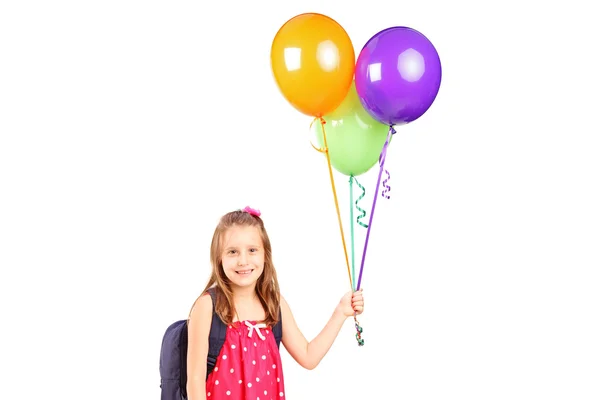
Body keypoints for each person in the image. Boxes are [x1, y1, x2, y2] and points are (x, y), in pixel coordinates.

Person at [186, 206, 365, 400]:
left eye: (252, 250)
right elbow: (195, 379)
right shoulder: (208, 306)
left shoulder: (274, 303)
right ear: (219, 257)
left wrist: (341, 312)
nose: (243, 260)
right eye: (232, 252)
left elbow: (308, 356)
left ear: (265, 254)